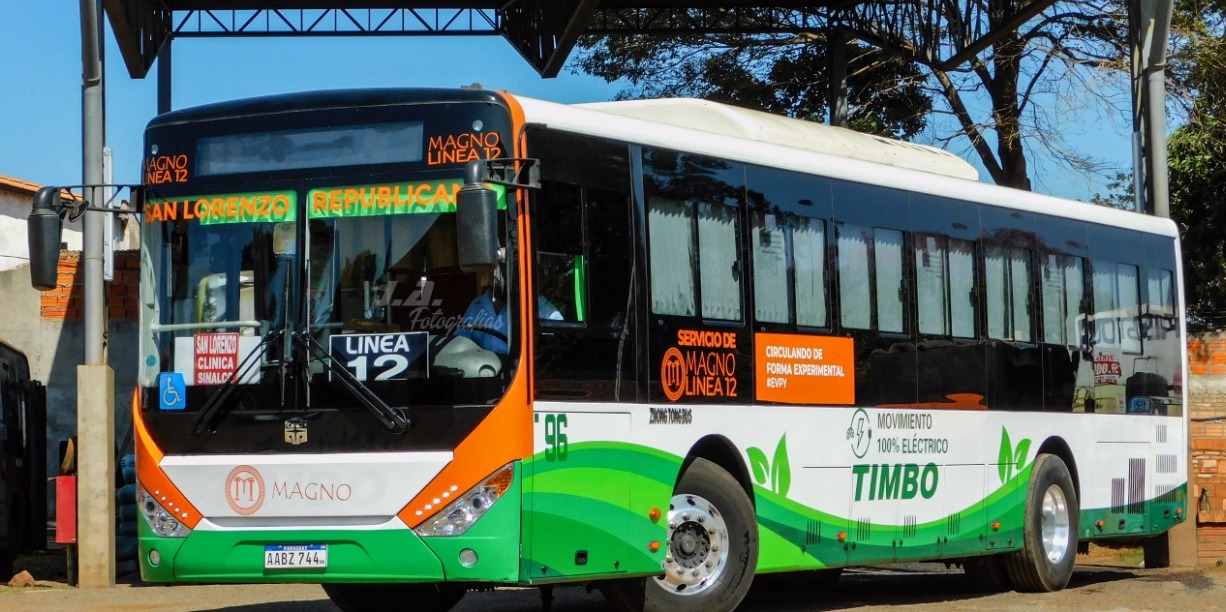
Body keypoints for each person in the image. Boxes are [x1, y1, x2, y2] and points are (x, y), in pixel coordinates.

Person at [456, 265, 562, 354]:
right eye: (496, 272)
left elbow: (559, 327)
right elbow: (461, 339)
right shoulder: (477, 304)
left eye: (505, 271)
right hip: (485, 368)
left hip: (516, 369)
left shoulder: (532, 301)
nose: (499, 277)